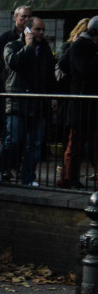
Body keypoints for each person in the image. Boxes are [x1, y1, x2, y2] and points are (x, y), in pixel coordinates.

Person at [1, 16, 58, 186]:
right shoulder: (12, 45)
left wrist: (53, 95)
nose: (41, 33)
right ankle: (2, 169)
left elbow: (49, 75)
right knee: (14, 139)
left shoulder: (45, 50)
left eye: (42, 30)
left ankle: (28, 176)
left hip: (38, 101)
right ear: (27, 30)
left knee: (35, 143)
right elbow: (14, 63)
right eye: (37, 29)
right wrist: (28, 47)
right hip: (18, 100)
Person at [58, 16, 98, 188]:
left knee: (82, 143)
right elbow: (84, 69)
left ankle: (70, 177)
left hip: (85, 102)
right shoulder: (82, 46)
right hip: (82, 101)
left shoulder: (82, 46)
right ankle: (68, 178)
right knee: (76, 143)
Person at [0, 5, 32, 85]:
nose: (27, 19)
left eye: (29, 17)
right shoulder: (4, 38)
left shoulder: (34, 38)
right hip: (6, 83)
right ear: (15, 17)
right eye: (24, 16)